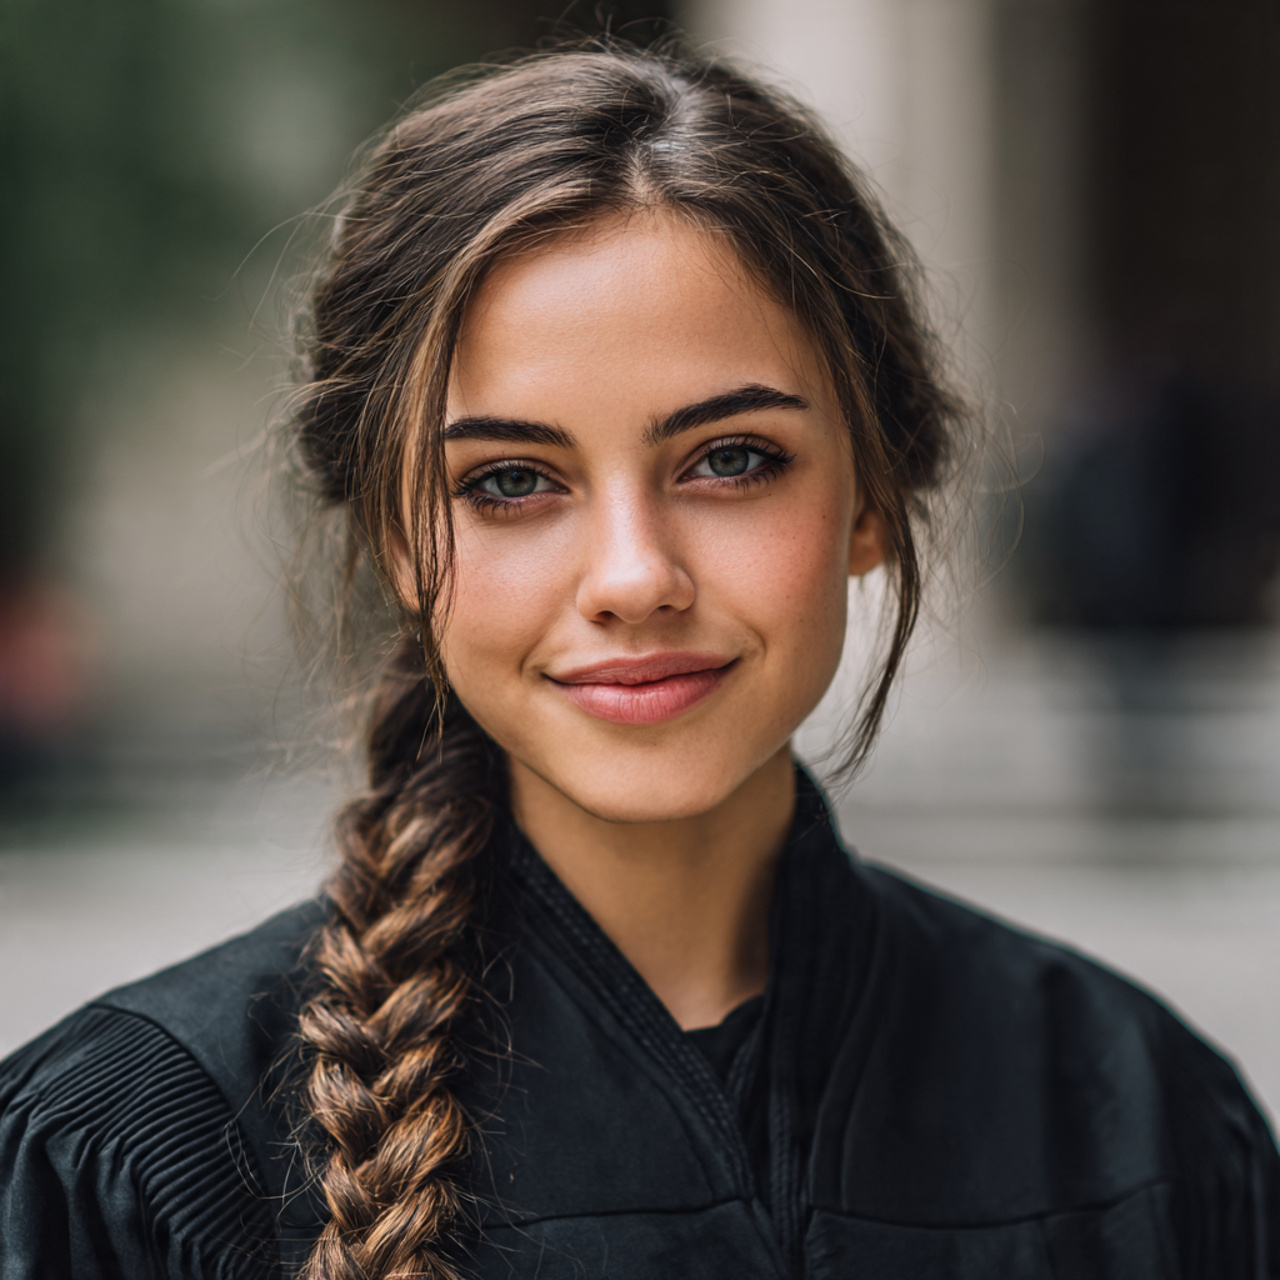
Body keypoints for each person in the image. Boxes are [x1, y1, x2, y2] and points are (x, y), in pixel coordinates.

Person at [1, 40, 1276, 1280]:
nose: (631, 576)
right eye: (508, 480)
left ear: (872, 498)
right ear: (396, 537)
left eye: (730, 459)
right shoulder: (140, 1150)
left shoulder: (1138, 1118)